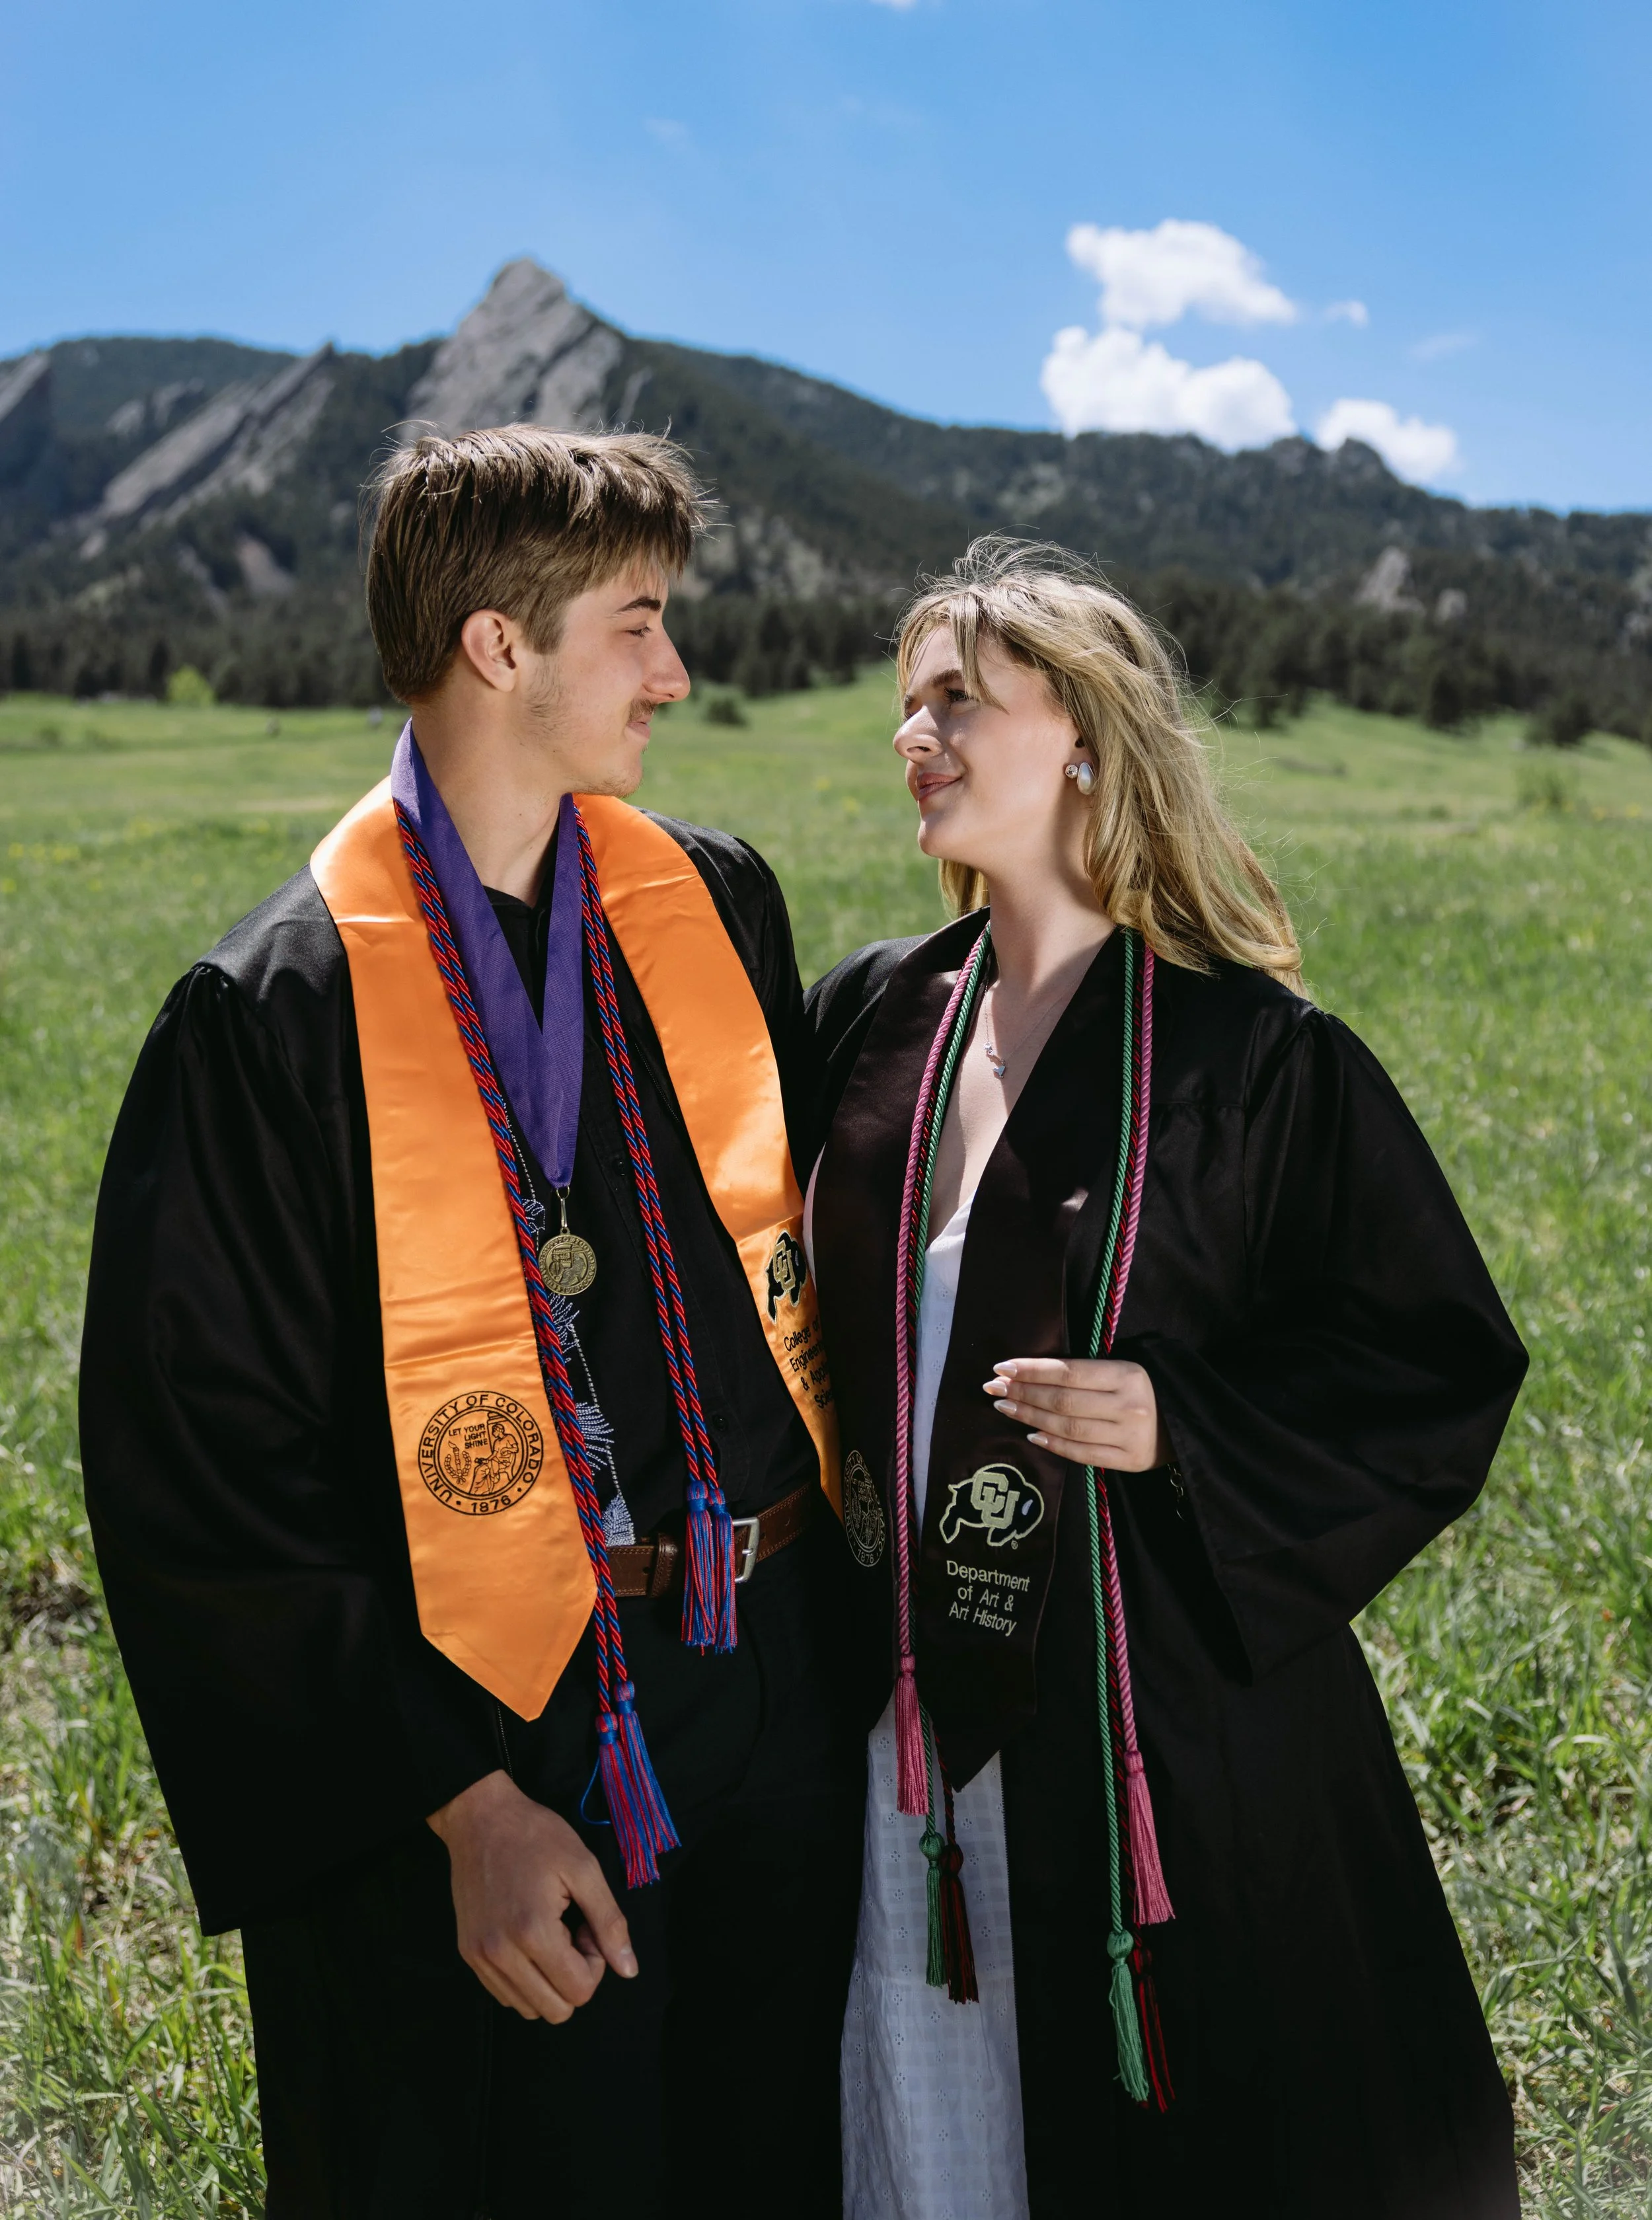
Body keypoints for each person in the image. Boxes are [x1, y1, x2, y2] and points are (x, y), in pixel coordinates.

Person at [79, 428, 860, 2219]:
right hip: (502, 1735)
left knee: (771, 2160)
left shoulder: (714, 901)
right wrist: (456, 1801)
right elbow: (203, 1472)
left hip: (773, 1683)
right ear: (498, 646)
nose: (676, 673)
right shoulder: (270, 1016)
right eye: (638, 626)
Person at [806, 538, 1528, 2220]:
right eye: (904, 705)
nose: (913, 734)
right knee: (921, 2127)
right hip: (889, 1708)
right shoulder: (872, 1018)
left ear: (1082, 734)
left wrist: (1176, 1420)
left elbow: (1433, 1362)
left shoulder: (1249, 1059)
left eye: (956, 701)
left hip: (1138, 1730)